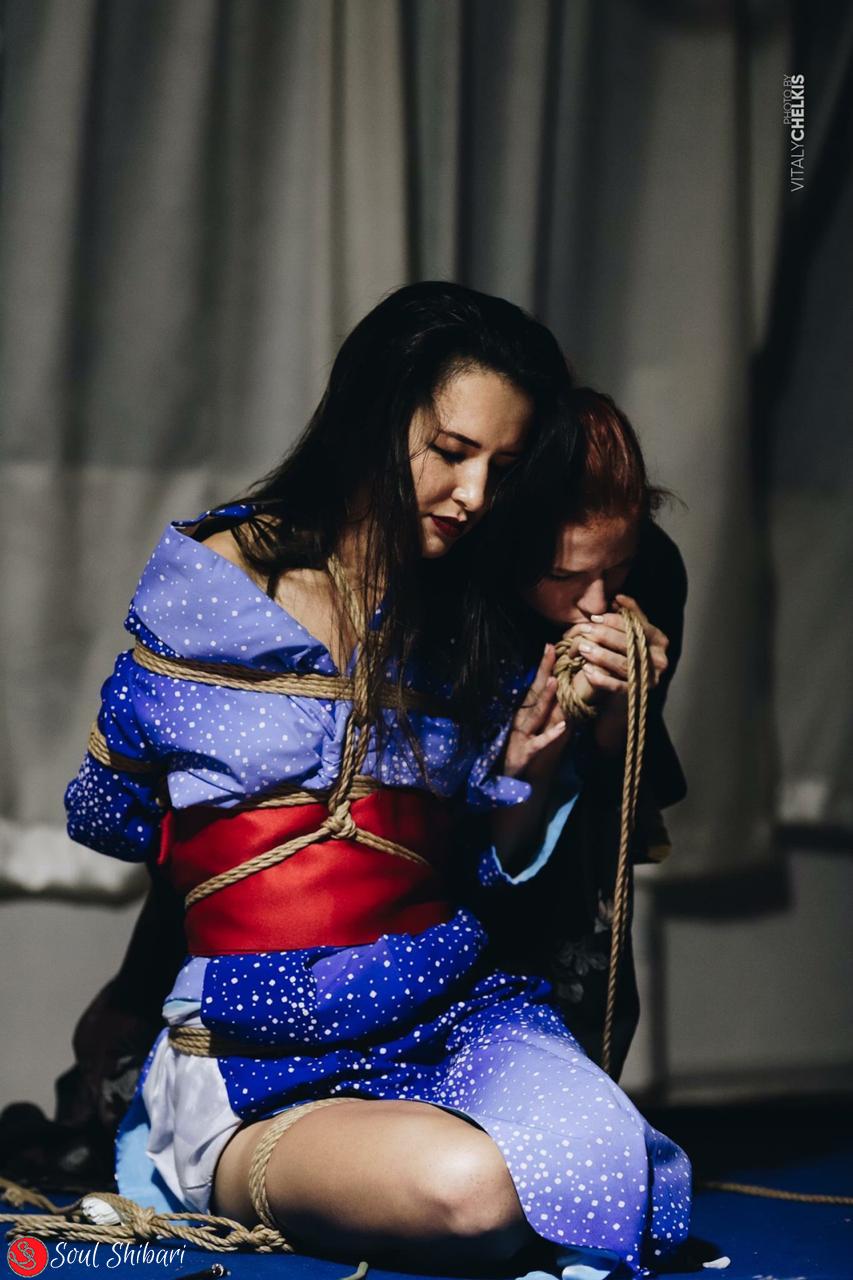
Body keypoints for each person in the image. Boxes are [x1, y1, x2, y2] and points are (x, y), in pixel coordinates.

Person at [62, 283, 690, 1277]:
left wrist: (529, 767)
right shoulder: (224, 581)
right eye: (450, 451)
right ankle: (214, 1158)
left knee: (614, 1170)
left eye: (502, 469)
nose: (473, 495)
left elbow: (486, 861)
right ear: (375, 417)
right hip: (259, 1050)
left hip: (444, 1006)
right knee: (475, 1191)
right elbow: (114, 813)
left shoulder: (469, 608)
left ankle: (399, 1146)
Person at [470, 387, 687, 1080]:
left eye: (614, 566)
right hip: (447, 861)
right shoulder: (457, 586)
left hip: (577, 854)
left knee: (582, 1021)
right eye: (564, 574)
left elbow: (617, 782)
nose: (596, 602)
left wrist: (625, 707)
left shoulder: (653, 570)